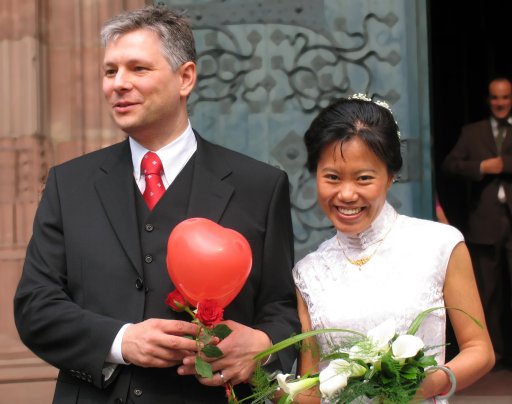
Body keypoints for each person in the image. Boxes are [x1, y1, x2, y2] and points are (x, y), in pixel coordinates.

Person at [13, 6, 299, 403]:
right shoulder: (68, 184)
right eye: (110, 71)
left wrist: (263, 346)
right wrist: (121, 341)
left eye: (138, 69)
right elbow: (35, 307)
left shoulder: (260, 186)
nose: (118, 84)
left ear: (186, 78)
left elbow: (282, 309)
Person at [290, 96, 494, 402]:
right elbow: (311, 382)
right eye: (331, 177)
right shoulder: (308, 271)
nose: (346, 194)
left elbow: (480, 351)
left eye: (364, 178)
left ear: (391, 176)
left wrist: (420, 387)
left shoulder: (440, 244)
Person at [443, 77, 512, 369]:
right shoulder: (473, 133)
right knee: (488, 294)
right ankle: (491, 355)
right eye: (495, 98)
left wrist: (504, 164)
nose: (500, 103)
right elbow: (450, 165)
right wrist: (482, 166)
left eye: (505, 98)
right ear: (488, 99)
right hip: (484, 225)